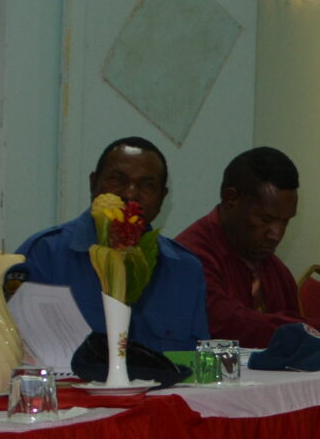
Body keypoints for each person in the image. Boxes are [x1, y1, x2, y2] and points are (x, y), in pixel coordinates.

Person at [173, 146, 320, 347]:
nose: (276, 235)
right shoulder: (188, 257)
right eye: (266, 220)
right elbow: (227, 325)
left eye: (285, 222)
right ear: (231, 199)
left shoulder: (275, 270)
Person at [18, 136, 211, 355]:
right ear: (93, 183)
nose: (130, 194)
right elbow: (22, 356)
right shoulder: (44, 255)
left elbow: (195, 364)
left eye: (147, 185)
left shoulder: (184, 269)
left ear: (162, 198)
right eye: (118, 180)